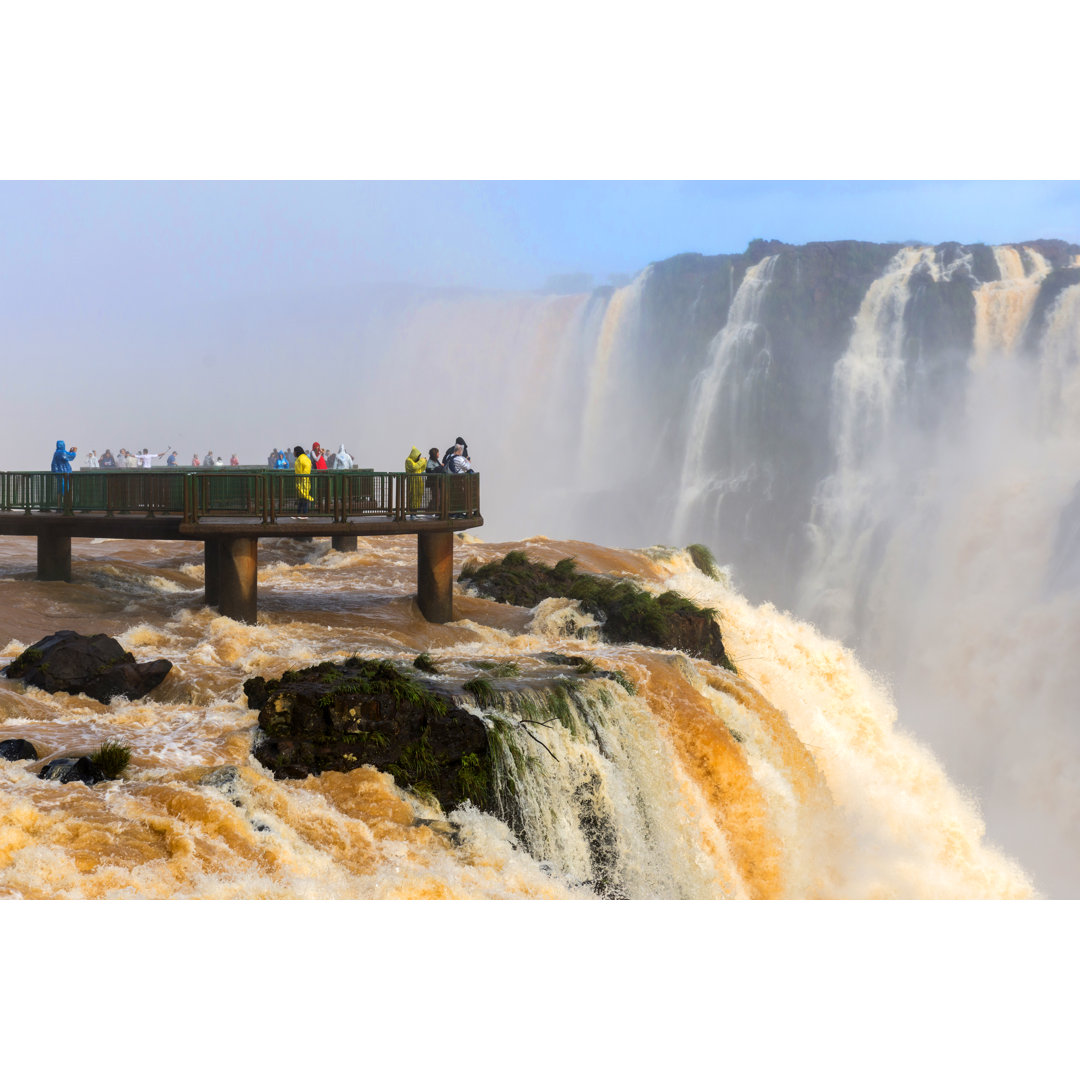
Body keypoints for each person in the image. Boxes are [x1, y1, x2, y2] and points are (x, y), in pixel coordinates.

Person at [405, 445, 426, 514]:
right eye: (418, 456)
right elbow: (415, 467)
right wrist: (422, 461)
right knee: (412, 497)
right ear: (414, 455)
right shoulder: (408, 460)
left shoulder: (416, 462)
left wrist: (424, 462)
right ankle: (412, 512)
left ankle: (415, 512)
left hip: (418, 482)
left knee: (418, 497)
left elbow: (421, 468)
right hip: (412, 482)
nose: (418, 458)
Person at [293, 445, 313, 517]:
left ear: (297, 452)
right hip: (301, 481)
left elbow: (306, 469)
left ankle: (304, 514)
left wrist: (302, 477)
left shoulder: (302, 458)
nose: (293, 453)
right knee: (302, 499)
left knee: (304, 499)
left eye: (294, 451)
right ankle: (300, 514)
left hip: (303, 481)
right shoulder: (302, 458)